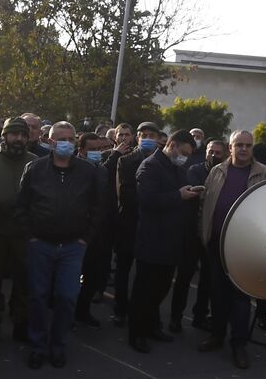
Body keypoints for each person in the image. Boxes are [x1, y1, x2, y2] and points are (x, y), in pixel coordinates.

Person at [15, 122, 105, 368]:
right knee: (38, 297)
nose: (66, 142)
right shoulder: (35, 168)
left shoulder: (88, 171)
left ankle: (58, 345)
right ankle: (38, 346)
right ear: (51, 141)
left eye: (70, 138)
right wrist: (29, 235)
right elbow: (22, 205)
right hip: (40, 244)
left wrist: (85, 237)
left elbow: (97, 207)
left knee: (66, 297)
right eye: (61, 138)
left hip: (73, 247)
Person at [198, 130, 266, 367]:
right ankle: (216, 335)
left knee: (240, 298)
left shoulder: (264, 174)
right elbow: (206, 204)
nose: (243, 149)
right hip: (216, 243)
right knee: (217, 293)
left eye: (248, 145)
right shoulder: (217, 171)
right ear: (230, 147)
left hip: (244, 248)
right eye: (238, 144)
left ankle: (239, 344)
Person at [127, 130, 198, 353]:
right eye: (184, 152)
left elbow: (177, 192)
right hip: (152, 240)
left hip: (171, 241)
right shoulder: (150, 166)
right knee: (144, 291)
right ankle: (136, 333)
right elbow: (147, 200)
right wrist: (179, 195)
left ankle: (151, 326)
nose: (185, 158)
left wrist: (189, 192)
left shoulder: (176, 167)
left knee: (161, 288)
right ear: (172, 145)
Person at [0, 117, 35, 346]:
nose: (19, 139)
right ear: (4, 136)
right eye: (14, 134)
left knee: (23, 279)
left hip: (23, 230)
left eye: (23, 135)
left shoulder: (35, 161)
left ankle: (20, 323)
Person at [171, 138, 224, 334]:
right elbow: (193, 195)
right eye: (210, 151)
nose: (213, 155)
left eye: (217, 152)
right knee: (184, 277)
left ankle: (200, 317)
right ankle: (176, 318)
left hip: (212, 235)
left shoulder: (225, 173)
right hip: (192, 233)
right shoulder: (195, 170)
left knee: (208, 281)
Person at [113, 122, 163, 326]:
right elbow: (125, 194)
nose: (148, 139)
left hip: (153, 226)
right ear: (137, 137)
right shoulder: (126, 161)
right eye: (144, 135)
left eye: (152, 135)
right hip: (129, 221)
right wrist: (154, 199)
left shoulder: (163, 161)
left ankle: (145, 313)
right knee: (123, 269)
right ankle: (120, 309)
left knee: (148, 274)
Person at [74, 132, 116, 329]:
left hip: (97, 232)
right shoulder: (71, 167)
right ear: (81, 150)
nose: (98, 153)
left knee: (92, 276)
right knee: (70, 277)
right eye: (93, 150)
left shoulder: (102, 170)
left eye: (100, 149)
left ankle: (82, 311)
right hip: (74, 232)